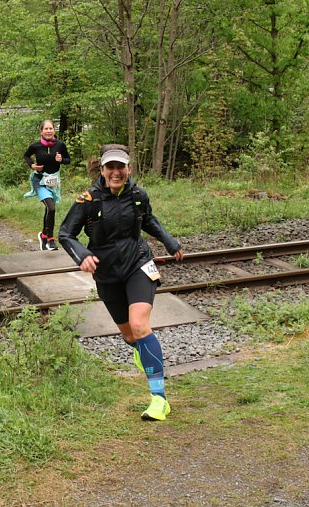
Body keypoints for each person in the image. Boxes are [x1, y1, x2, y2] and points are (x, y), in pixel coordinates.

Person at [59, 144, 185, 421]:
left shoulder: (138, 195)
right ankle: (143, 349)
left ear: (129, 169)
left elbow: (148, 220)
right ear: (102, 170)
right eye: (110, 167)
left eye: (121, 167)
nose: (116, 172)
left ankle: (159, 399)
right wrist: (83, 255)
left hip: (138, 263)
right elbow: (66, 234)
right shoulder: (88, 200)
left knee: (140, 326)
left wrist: (170, 242)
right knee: (130, 335)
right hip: (106, 272)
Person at [23, 119, 71, 251]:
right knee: (52, 208)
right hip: (39, 180)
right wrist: (32, 165)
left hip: (54, 182)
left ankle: (43, 235)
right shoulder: (36, 146)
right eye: (46, 129)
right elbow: (26, 156)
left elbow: (68, 160)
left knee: (49, 209)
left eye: (51, 129)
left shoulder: (60, 145)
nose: (49, 131)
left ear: (54, 130)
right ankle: (50, 239)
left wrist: (62, 160)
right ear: (41, 131)